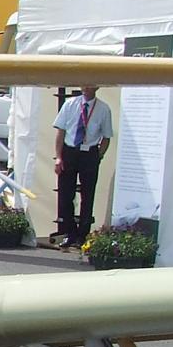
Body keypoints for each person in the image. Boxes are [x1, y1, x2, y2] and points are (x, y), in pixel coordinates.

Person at [51, 84, 112, 247]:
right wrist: (58, 157)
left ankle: (82, 234)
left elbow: (106, 136)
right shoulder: (70, 104)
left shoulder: (103, 109)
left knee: (88, 194)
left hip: (89, 153)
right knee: (65, 194)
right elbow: (60, 132)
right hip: (70, 151)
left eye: (89, 85)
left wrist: (99, 155)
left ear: (96, 87)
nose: (85, 88)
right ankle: (70, 233)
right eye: (83, 85)